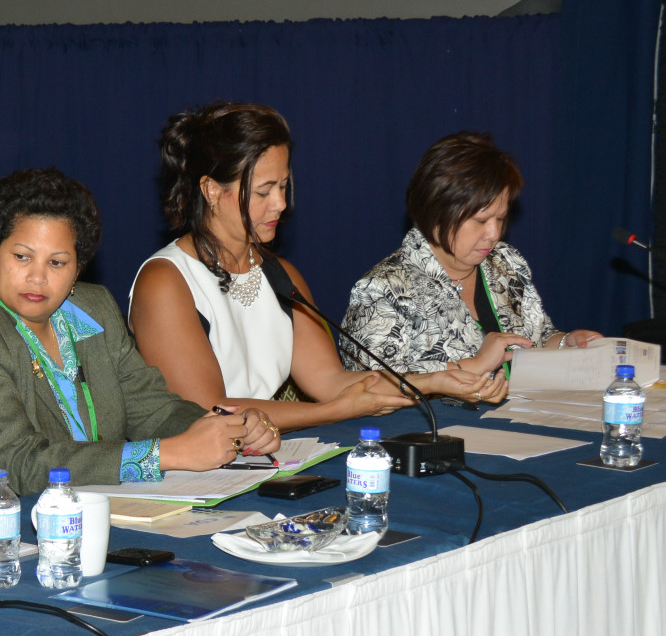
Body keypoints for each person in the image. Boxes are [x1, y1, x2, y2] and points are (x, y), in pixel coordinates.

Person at [0, 167, 278, 524]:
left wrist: (226, 430)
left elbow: (153, 408)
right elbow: (20, 464)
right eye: (22, 257)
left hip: (84, 514)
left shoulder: (94, 310)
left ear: (78, 269)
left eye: (57, 263)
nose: (38, 277)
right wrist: (169, 454)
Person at [128, 103, 506, 427]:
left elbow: (332, 382)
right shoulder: (165, 281)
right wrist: (332, 412)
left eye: (283, 186)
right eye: (264, 191)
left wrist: (436, 381)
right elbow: (207, 410)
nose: (280, 203)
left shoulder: (281, 274)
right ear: (211, 190)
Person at [340, 131, 602, 375]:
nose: (494, 234)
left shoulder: (506, 261)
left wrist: (564, 343)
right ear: (436, 213)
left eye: (501, 218)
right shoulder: (383, 290)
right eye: (481, 221)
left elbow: (537, 337)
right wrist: (472, 366)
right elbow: (370, 386)